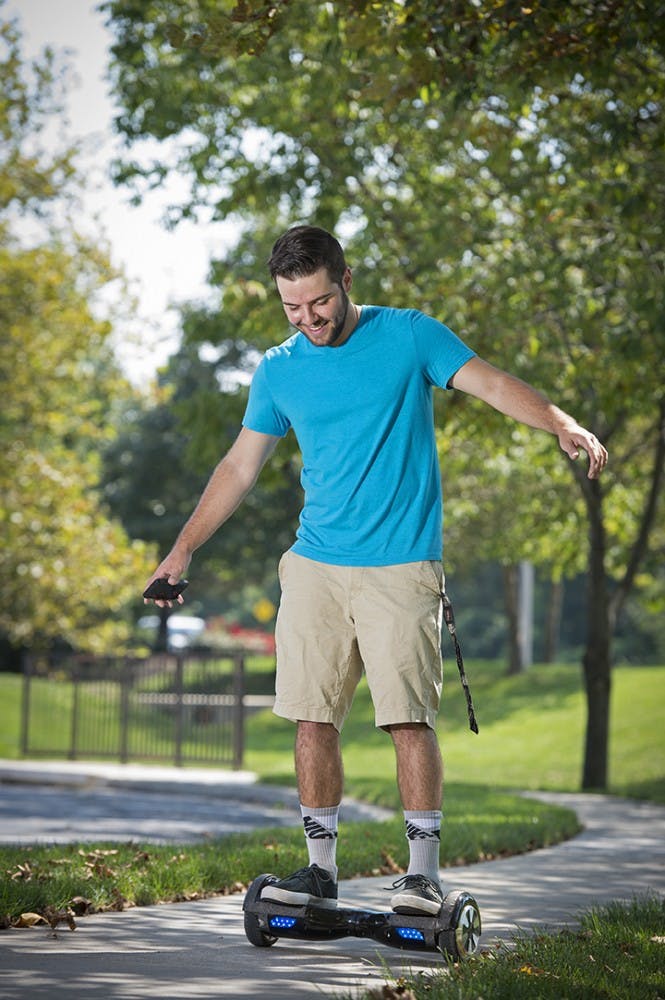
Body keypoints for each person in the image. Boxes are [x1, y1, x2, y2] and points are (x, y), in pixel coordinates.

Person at [143, 225, 608, 915]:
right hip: (313, 565)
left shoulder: (409, 336)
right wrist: (181, 551)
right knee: (310, 717)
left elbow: (489, 383)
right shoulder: (279, 368)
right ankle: (318, 870)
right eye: (292, 309)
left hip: (400, 565)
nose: (308, 320)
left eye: (318, 304)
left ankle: (421, 875)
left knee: (406, 720)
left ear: (345, 280)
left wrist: (559, 422)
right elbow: (239, 467)